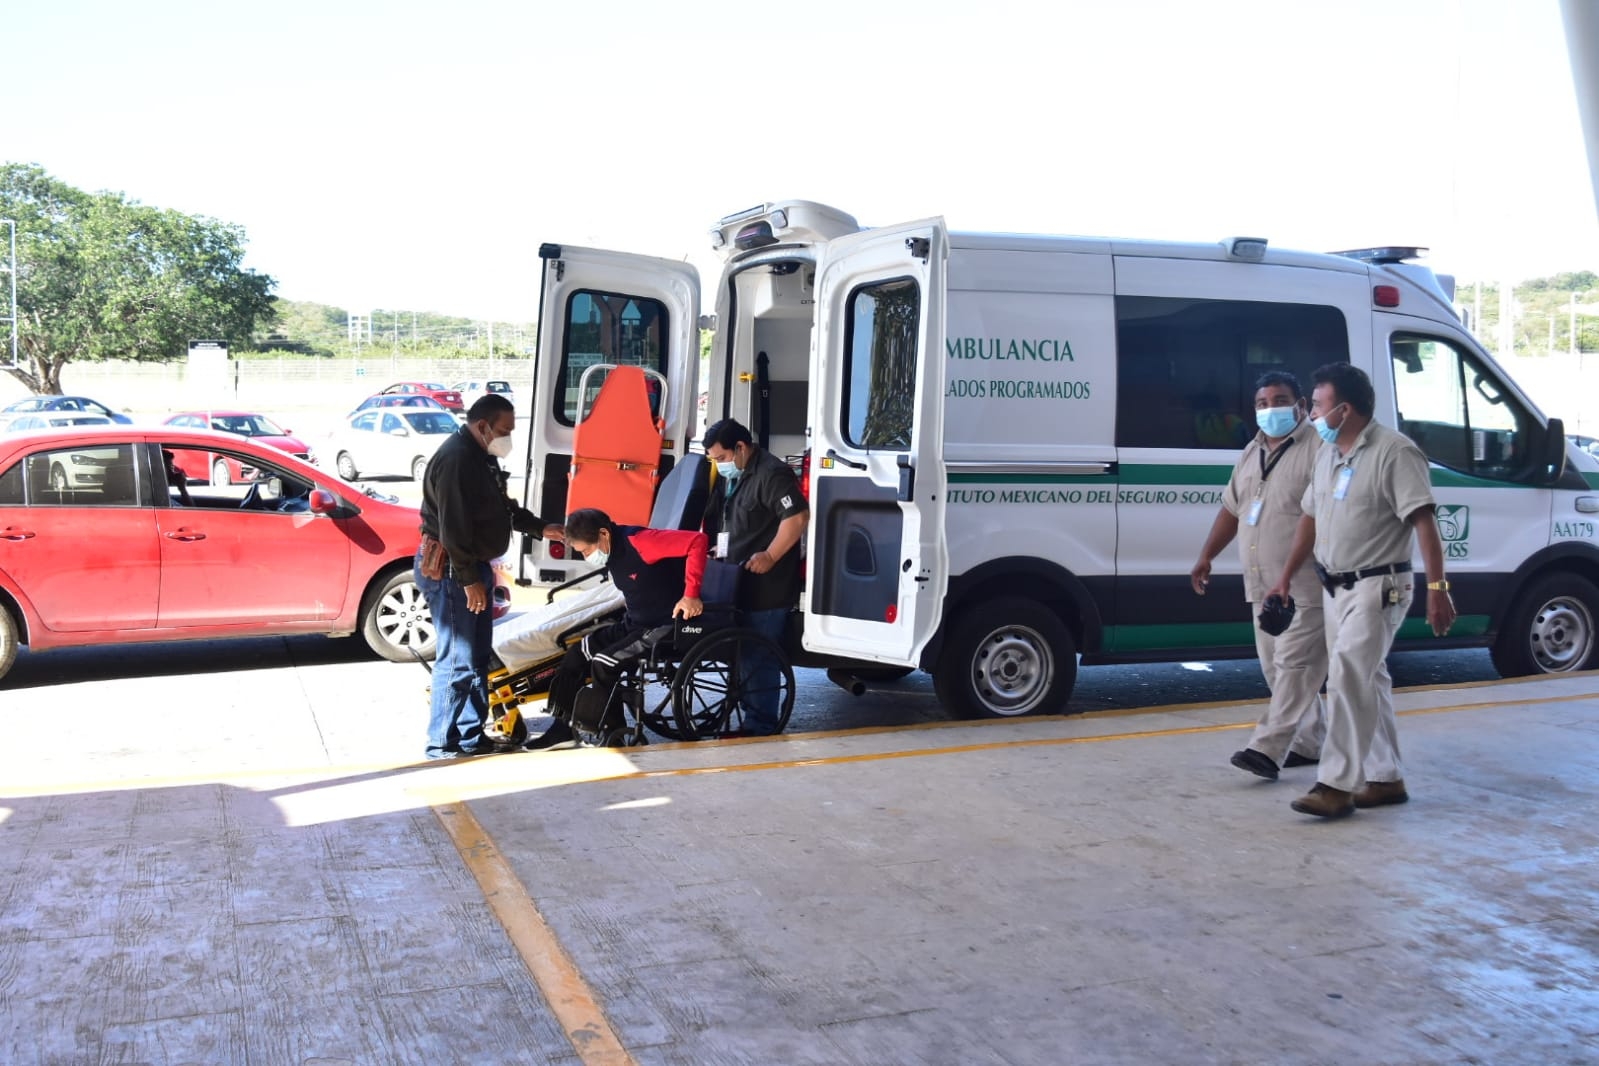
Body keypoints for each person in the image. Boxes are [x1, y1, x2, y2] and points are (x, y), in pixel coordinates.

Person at [1267, 362, 1455, 818]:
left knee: (1350, 671)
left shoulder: (1395, 452)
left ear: (1344, 409)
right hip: (1337, 588)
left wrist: (1438, 587)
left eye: (1317, 404)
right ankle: (1386, 778)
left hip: (1381, 586)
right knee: (1369, 679)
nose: (1310, 412)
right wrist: (1287, 574)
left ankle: (1335, 784)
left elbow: (1424, 522)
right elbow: (1310, 517)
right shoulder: (1329, 454)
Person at [1190, 371, 1326, 781]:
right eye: (1263, 403)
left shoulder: (1319, 449)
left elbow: (1316, 515)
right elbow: (1233, 508)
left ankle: (1266, 749)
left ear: (1301, 405)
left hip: (1304, 581)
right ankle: (1309, 741)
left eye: (1280, 400)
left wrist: (1287, 574)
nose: (1271, 409)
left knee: (1294, 665)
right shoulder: (1252, 451)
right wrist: (1206, 555)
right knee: (1274, 666)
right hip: (1261, 582)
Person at [417, 394, 562, 760]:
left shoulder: (481, 457)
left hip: (471, 566)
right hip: (453, 569)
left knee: (478, 657)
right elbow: (453, 529)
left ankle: (470, 736)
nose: (508, 438)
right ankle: (441, 744)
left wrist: (542, 528)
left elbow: (503, 508)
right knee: (458, 659)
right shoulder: (457, 461)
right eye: (504, 430)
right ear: (483, 426)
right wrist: (469, 580)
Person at [523, 508, 707, 750]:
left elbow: (698, 540)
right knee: (576, 654)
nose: (587, 556)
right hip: (636, 623)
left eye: (586, 550)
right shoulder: (610, 551)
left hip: (667, 624)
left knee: (604, 663)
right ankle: (562, 729)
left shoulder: (642, 542)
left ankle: (614, 733)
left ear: (603, 534)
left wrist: (691, 595)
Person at [700, 418, 808, 736]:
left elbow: (798, 517)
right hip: (736, 580)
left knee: (760, 655)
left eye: (721, 458)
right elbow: (726, 517)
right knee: (744, 654)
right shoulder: (732, 476)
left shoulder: (771, 474)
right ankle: (748, 716)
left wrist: (771, 555)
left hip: (767, 586)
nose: (719, 465)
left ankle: (760, 725)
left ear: (741, 448)